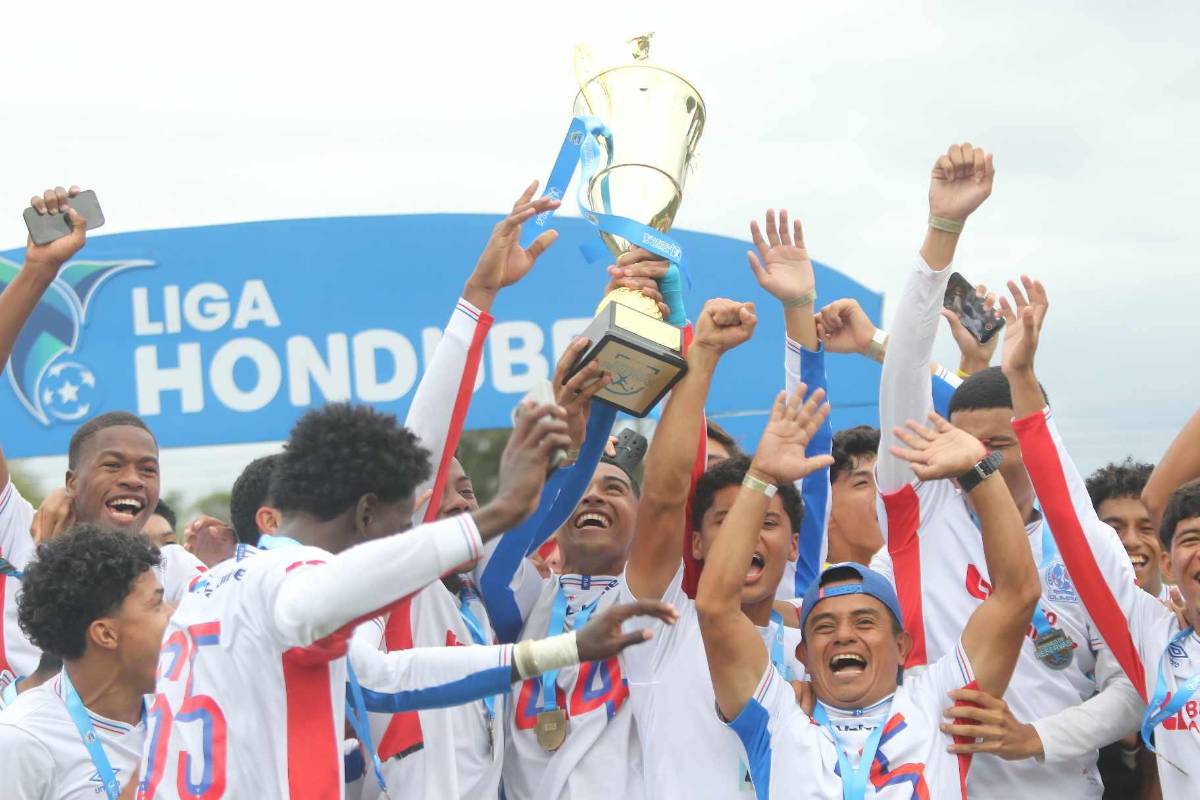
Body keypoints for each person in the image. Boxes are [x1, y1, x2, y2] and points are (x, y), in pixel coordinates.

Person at [139, 399, 671, 799]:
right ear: (367, 514)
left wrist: (567, 648)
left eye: (465, 496)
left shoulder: (213, 590)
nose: (410, 532)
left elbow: (383, 679)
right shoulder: (297, 583)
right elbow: (426, 445)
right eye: (408, 517)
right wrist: (501, 509)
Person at [870, 145, 1141, 797]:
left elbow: (1133, 689)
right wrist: (943, 232)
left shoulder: (1087, 544)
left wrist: (1035, 739)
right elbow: (904, 369)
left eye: (1000, 442)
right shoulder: (920, 518)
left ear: (1036, 438)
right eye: (967, 445)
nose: (979, 458)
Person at [698, 379, 1040, 798]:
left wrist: (980, 472)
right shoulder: (777, 715)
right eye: (823, 626)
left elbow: (1017, 595)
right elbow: (715, 607)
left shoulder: (938, 702)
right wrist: (761, 477)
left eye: (864, 621)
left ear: (901, 646)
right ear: (802, 654)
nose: (844, 634)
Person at [355, 182, 582, 800]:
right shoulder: (398, 588)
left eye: (468, 490)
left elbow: (553, 505)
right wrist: (478, 297)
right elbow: (425, 440)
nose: (459, 503)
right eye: (440, 493)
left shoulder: (477, 604)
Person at [1005, 277, 1198, 797]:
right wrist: (1021, 378)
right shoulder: (1155, 639)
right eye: (1188, 539)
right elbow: (1070, 521)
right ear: (1167, 561)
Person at [622, 287, 815, 798]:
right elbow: (664, 498)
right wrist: (703, 355)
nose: (747, 533)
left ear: (794, 545)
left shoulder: (820, 644)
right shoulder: (661, 628)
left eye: (766, 521)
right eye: (726, 520)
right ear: (698, 544)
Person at [0, 527, 168, 799]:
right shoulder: (21, 739)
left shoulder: (183, 712)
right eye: (157, 604)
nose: (175, 615)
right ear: (106, 634)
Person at [1087, 459, 1168, 601]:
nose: (1131, 541)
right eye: (1114, 529)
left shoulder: (1191, 611)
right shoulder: (1067, 615)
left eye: (1147, 528)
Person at [827, 426, 884, 566]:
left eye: (883, 479)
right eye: (862, 483)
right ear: (826, 511)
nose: (882, 491)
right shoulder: (806, 585)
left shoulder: (922, 579)